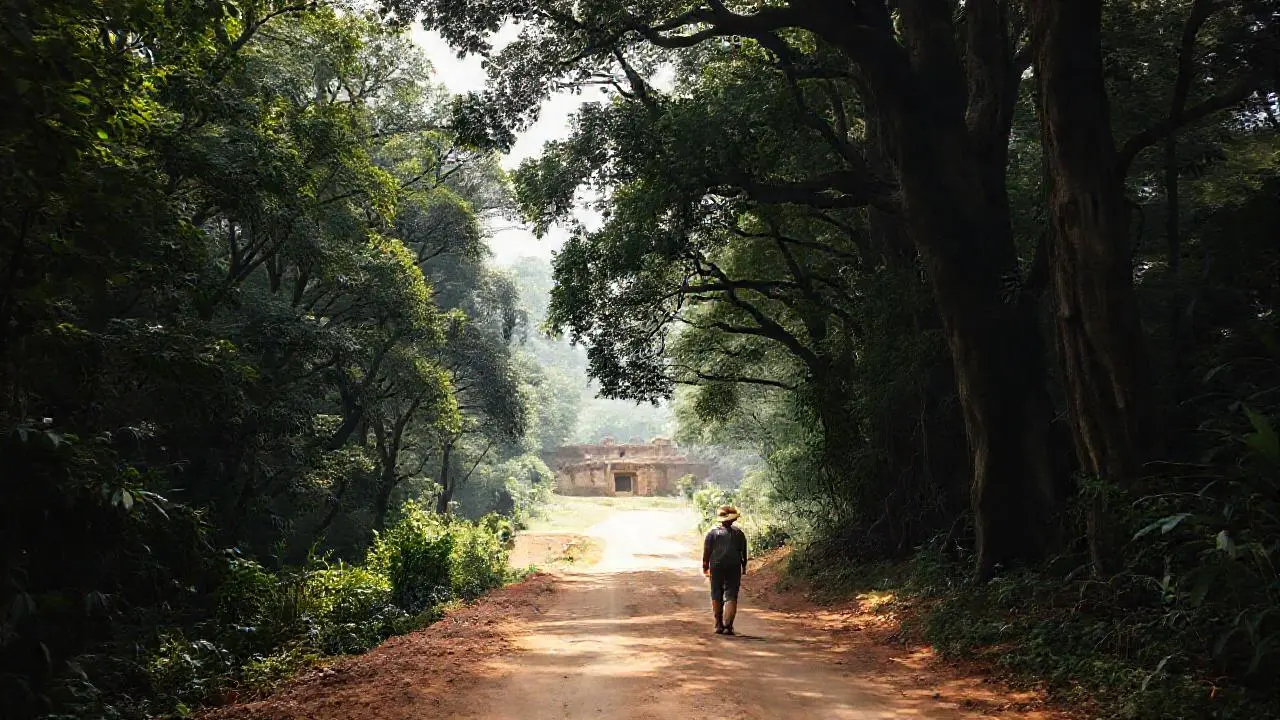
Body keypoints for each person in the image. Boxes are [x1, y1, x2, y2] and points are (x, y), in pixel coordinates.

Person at [702, 505, 748, 635]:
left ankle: (718, 624)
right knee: (731, 595)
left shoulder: (712, 533)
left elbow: (707, 553)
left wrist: (705, 567)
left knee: (716, 593)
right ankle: (728, 626)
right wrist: (743, 566)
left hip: (716, 566)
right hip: (734, 566)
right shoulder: (739, 533)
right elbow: (743, 553)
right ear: (733, 520)